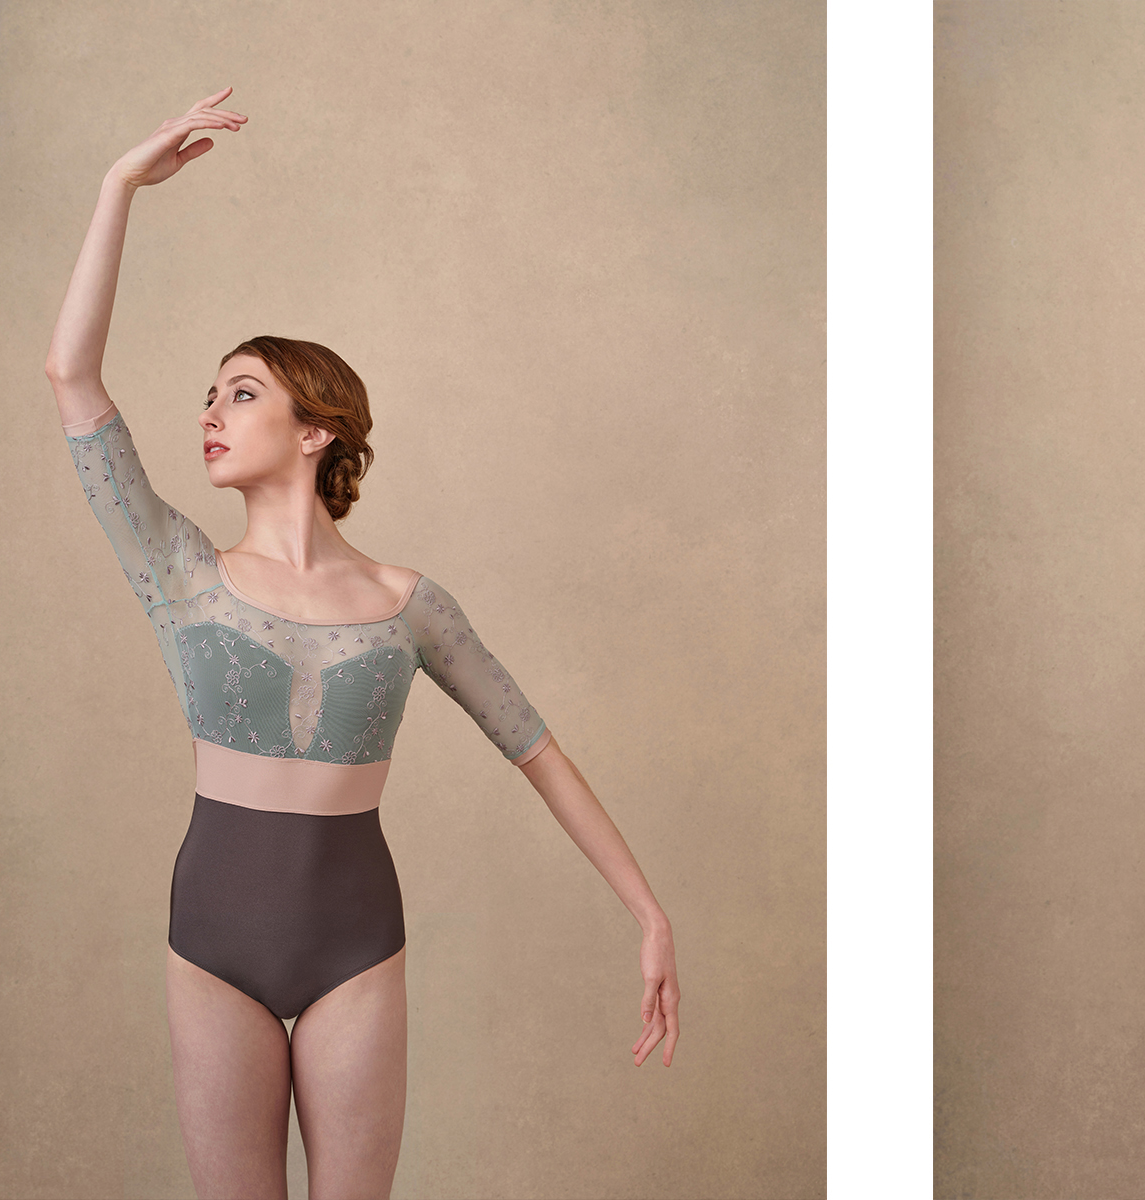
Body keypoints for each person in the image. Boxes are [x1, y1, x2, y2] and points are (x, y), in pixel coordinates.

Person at [44, 88, 680, 1199]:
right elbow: (71, 377)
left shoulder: (408, 603)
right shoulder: (177, 570)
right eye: (208, 397)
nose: (211, 413)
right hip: (213, 949)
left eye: (241, 395)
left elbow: (537, 751)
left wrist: (648, 910)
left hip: (356, 954)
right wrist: (117, 188)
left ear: (314, 429)